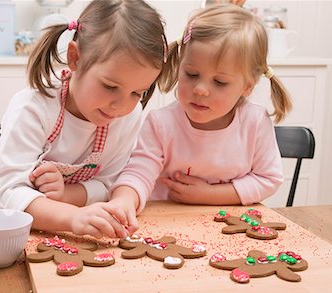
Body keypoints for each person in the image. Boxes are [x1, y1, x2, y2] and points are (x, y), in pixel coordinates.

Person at [0, 0, 168, 239]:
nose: (121, 105)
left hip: (51, 236)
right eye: (110, 86)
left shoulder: (127, 117)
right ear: (75, 58)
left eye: (137, 93)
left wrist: (67, 195)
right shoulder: (34, 108)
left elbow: (107, 184)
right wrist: (72, 217)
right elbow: (9, 193)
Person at [109, 4, 292, 226]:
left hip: (229, 228)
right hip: (167, 225)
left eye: (220, 82)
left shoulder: (255, 122)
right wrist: (123, 202)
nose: (200, 89)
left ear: (247, 87)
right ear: (179, 65)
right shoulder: (161, 123)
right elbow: (139, 172)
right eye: (192, 74)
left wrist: (210, 195)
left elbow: (268, 179)